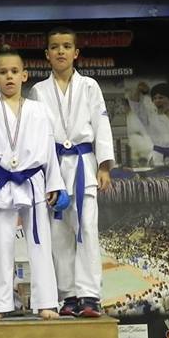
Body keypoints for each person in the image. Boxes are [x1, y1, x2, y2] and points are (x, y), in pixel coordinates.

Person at [0, 48, 65, 320]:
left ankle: (46, 303)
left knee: (41, 243)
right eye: (3, 72)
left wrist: (56, 184)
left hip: (33, 181)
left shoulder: (39, 111)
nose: (9, 77)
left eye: (14, 71)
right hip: (1, 183)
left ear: (24, 75)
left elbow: (49, 150)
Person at [29, 26, 115, 318]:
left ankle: (90, 295)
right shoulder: (38, 91)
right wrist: (40, 173)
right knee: (59, 233)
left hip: (83, 164)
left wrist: (104, 166)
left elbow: (101, 125)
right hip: (53, 166)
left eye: (66, 46)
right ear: (47, 54)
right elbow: (36, 134)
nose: (61, 51)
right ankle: (68, 295)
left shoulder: (90, 86)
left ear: (76, 53)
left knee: (86, 228)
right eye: (55, 47)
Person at [130, 82, 169, 166]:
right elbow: (135, 104)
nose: (157, 101)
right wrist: (138, 89)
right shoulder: (149, 116)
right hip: (158, 158)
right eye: (154, 98)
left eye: (161, 97)